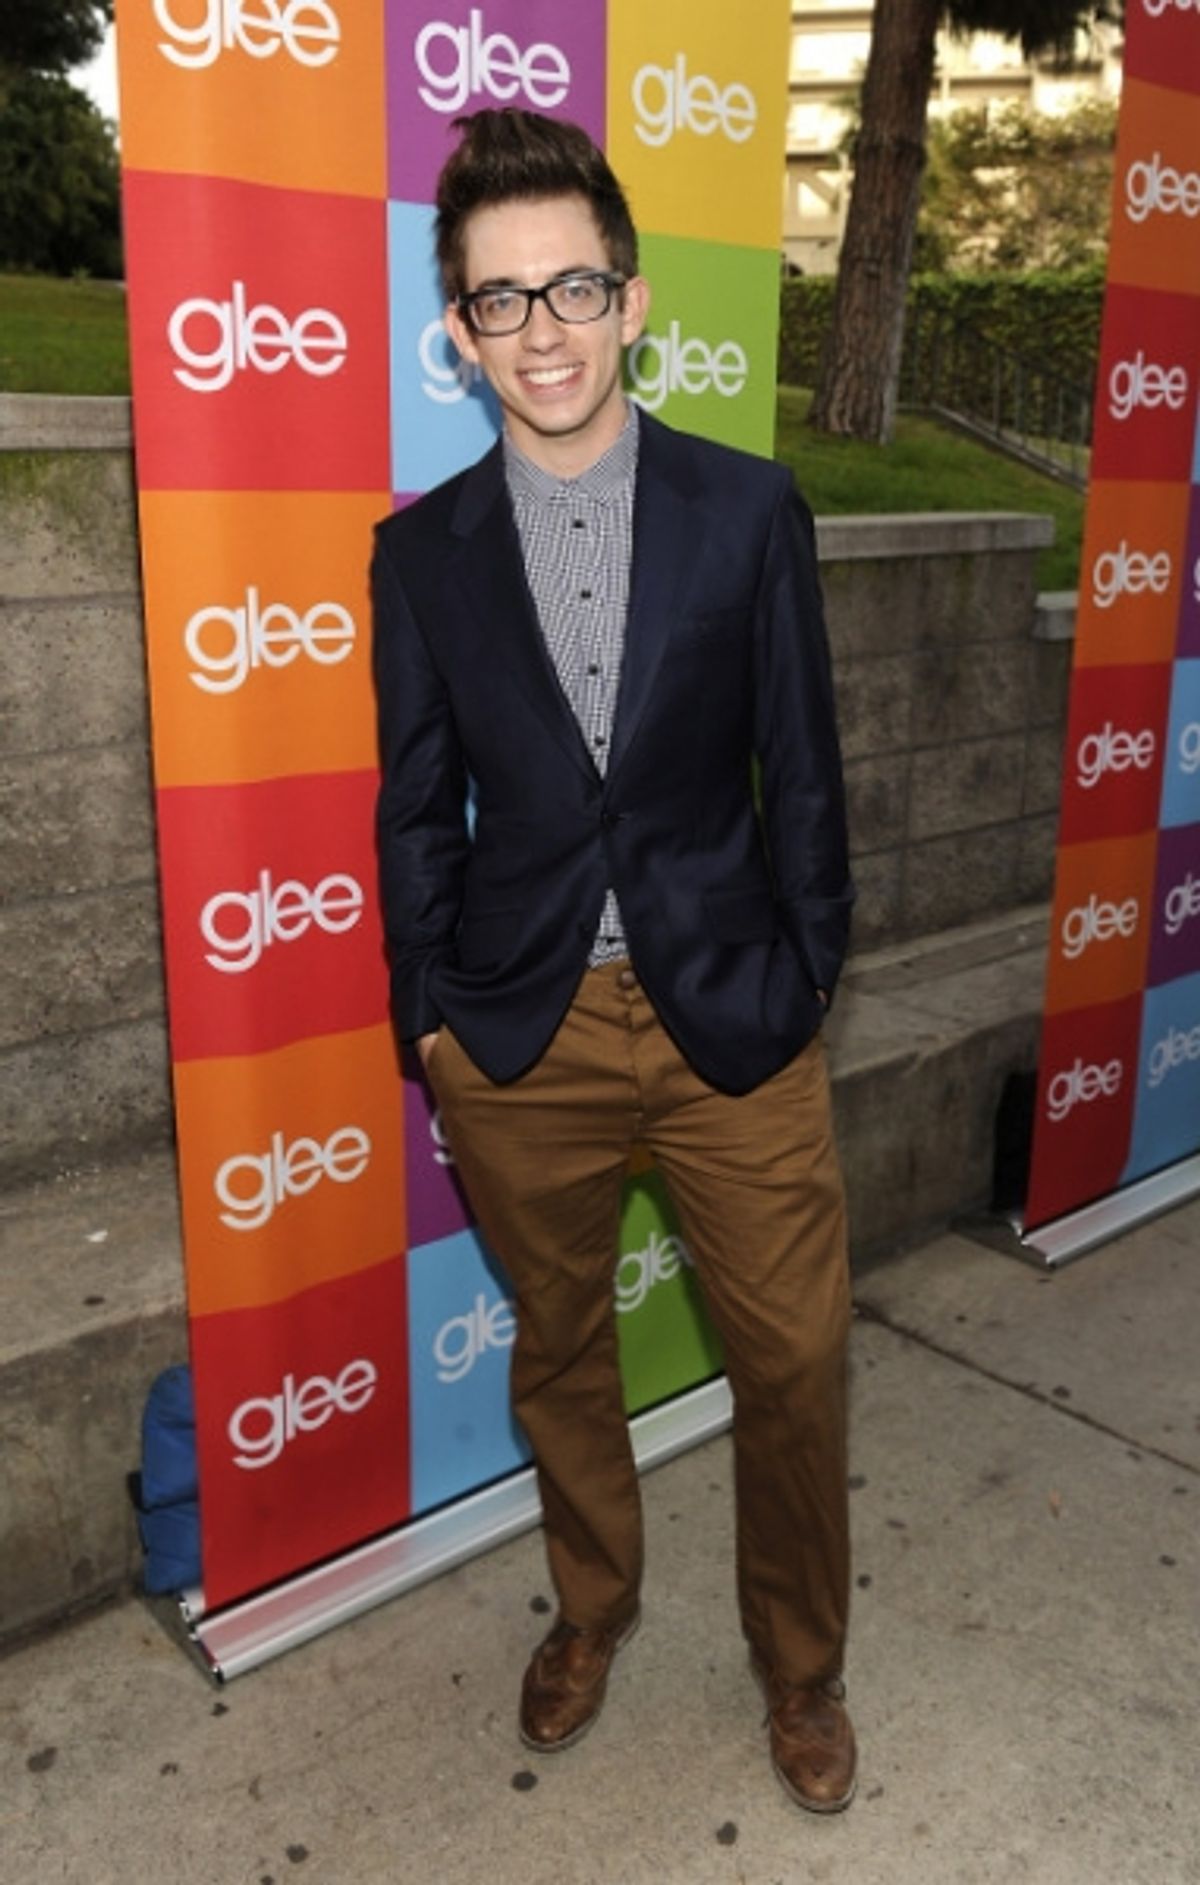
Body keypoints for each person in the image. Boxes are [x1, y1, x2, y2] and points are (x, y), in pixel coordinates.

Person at [371, 107, 857, 1814]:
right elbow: (416, 806)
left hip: (734, 1008)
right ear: (459, 334)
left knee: (793, 1354)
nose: (544, 328)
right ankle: (593, 1603)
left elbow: (800, 769)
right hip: (521, 1034)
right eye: (502, 300)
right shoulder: (416, 555)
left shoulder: (746, 512)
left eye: (573, 285)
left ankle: (801, 1661)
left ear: (634, 301)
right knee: (561, 1347)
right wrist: (428, 1018)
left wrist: (807, 976)